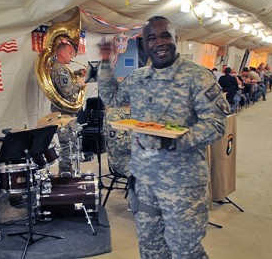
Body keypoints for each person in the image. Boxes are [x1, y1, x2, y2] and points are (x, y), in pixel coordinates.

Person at [98, 16, 229, 259]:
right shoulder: (138, 78)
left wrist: (177, 140)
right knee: (151, 249)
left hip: (183, 184)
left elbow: (216, 124)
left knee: (185, 251)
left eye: (165, 35)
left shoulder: (197, 77)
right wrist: (106, 62)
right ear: (145, 44)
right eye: (152, 38)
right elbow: (112, 98)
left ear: (175, 38)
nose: (159, 42)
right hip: (145, 182)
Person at [50, 39, 87, 176]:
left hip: (68, 114)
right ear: (62, 53)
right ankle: (65, 175)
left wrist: (77, 73)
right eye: (70, 53)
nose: (72, 56)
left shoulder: (62, 68)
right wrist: (80, 84)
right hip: (64, 114)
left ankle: (70, 172)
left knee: (73, 145)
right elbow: (66, 91)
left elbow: (66, 81)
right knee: (67, 147)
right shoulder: (60, 69)